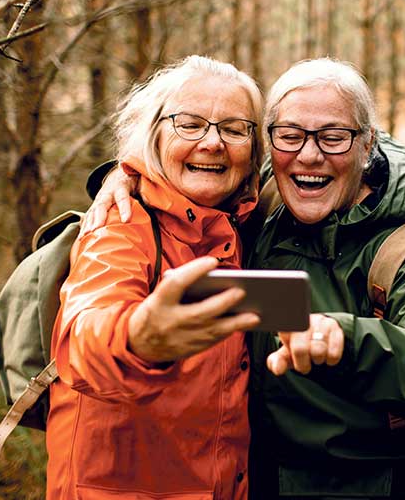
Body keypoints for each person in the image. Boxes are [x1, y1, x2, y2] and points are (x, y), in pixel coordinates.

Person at [89, 58, 405, 499]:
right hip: (248, 477)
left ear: (367, 145)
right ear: (270, 141)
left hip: (367, 484)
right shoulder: (263, 200)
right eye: (290, 135)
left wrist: (347, 339)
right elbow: (189, 156)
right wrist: (125, 174)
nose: (309, 155)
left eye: (334, 137)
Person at [46, 55, 266, 500]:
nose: (213, 143)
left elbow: (345, 147)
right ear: (153, 135)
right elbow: (85, 333)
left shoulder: (244, 221)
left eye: (234, 128)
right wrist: (140, 339)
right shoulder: (121, 224)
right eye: (190, 124)